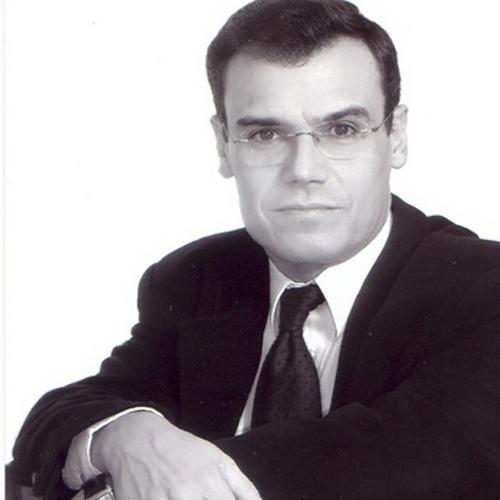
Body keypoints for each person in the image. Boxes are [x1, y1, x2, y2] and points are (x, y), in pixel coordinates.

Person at [10, 0, 500, 498]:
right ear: (223, 145)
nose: (304, 170)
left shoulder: (484, 288)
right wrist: (125, 436)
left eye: (341, 130)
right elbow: (63, 417)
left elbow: (420, 462)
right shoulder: (196, 278)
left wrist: (159, 477)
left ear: (396, 137)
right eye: (265, 134)